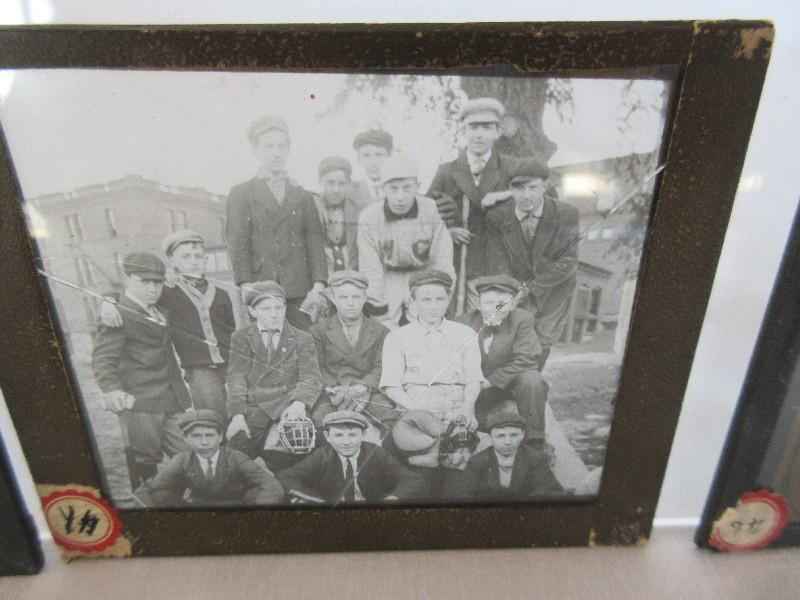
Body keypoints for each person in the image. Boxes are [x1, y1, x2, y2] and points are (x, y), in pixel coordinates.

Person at [100, 230, 236, 420]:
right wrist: (107, 302)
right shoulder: (167, 293)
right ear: (173, 261)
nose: (194, 261)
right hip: (200, 370)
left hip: (232, 365)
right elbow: (129, 293)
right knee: (215, 418)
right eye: (186, 257)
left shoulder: (221, 293)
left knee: (243, 412)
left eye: (198, 256)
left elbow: (231, 330)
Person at [380, 270, 485, 495]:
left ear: (448, 300)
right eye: (426, 299)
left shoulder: (465, 334)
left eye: (440, 299)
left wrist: (468, 408)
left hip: (457, 408)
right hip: (418, 411)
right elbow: (391, 385)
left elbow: (474, 378)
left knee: (459, 485)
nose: (433, 306)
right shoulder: (397, 337)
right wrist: (419, 412)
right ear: (412, 301)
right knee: (421, 484)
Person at [91, 252, 191, 489]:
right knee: (145, 462)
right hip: (141, 403)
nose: (152, 288)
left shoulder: (157, 308)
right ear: (127, 279)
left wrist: (108, 298)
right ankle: (150, 507)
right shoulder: (118, 314)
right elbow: (103, 359)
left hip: (172, 399)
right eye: (143, 282)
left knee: (188, 454)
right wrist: (112, 389)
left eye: (157, 282)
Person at [225, 114, 327, 330]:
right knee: (269, 348)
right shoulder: (241, 193)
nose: (276, 153)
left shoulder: (303, 195)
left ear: (289, 149)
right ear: (255, 151)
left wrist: (318, 284)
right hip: (262, 286)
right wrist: (245, 283)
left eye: (281, 146)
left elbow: (314, 242)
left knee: (305, 345)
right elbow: (238, 242)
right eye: (268, 146)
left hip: (301, 288)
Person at [427, 97, 523, 311]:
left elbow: (533, 203)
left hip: (499, 262)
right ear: (464, 131)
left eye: (487, 127)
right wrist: (448, 231)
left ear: (498, 132)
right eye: (473, 127)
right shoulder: (447, 171)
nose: (479, 134)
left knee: (492, 325)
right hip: (457, 262)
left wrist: (503, 196)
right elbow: (426, 216)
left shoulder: (514, 169)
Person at [486, 158, 579, 369]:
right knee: (515, 333)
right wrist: (511, 290)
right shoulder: (497, 217)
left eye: (533, 188)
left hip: (554, 287)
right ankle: (511, 385)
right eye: (519, 188)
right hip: (516, 287)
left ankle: (531, 383)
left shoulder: (566, 213)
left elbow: (568, 259)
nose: (526, 195)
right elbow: (498, 259)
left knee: (543, 339)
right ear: (510, 189)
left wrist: (532, 288)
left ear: (544, 187)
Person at [225, 281, 323, 465]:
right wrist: (237, 415)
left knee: (297, 456)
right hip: (254, 409)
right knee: (233, 460)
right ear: (253, 312)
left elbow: (311, 377)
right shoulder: (241, 338)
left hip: (288, 408)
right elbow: (236, 379)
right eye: (266, 308)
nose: (274, 314)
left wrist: (299, 404)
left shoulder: (302, 337)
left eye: (279, 307)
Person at [357, 154, 455, 328]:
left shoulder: (430, 209)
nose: (400, 196)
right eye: (393, 189)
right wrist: (377, 303)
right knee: (383, 326)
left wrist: (438, 290)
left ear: (417, 186)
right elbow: (370, 266)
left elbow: (442, 257)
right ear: (382, 189)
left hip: (423, 273)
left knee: (426, 322)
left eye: (407, 188)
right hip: (387, 275)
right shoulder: (369, 216)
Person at [456, 274, 548, 450]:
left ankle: (534, 441)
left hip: (507, 385)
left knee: (532, 379)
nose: (495, 308)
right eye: (489, 303)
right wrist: (474, 384)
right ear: (478, 303)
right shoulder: (463, 323)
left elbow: (525, 359)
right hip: (473, 386)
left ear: (512, 304)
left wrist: (490, 382)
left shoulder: (523, 320)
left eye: (502, 303)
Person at [134, 409, 285, 507]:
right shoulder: (182, 459)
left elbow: (271, 485)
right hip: (201, 510)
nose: (204, 442)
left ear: (220, 437)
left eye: (210, 435)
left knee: (259, 493)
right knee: (161, 495)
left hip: (237, 508)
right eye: (197, 436)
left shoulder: (236, 458)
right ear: (186, 439)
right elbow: (151, 488)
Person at [309, 270, 395, 435]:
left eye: (356, 297)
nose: (350, 303)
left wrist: (362, 388)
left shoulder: (381, 332)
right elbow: (316, 367)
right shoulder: (318, 331)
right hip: (333, 393)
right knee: (321, 421)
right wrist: (336, 390)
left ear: (364, 298)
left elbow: (380, 367)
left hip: (367, 392)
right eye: (343, 297)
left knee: (390, 419)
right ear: (333, 299)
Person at [276, 410, 425, 505]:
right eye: (339, 435)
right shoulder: (322, 455)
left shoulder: (375, 452)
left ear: (363, 435)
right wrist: (315, 500)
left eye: (353, 434)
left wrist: (392, 499)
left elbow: (412, 480)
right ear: (328, 437)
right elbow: (285, 477)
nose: (346, 442)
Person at [445, 412, 563, 502]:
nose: (507, 442)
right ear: (490, 437)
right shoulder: (478, 461)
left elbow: (551, 490)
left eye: (513, 435)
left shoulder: (534, 457)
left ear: (522, 435)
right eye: (500, 436)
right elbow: (463, 494)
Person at [350, 129, 393, 211]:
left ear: (390, 156)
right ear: (358, 159)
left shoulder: (402, 188)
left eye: (379, 155)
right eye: (366, 155)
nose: (373, 162)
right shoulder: (349, 192)